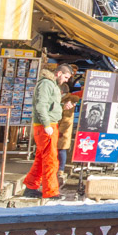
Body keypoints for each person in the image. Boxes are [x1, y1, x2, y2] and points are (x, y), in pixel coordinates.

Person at [23, 64, 73, 200]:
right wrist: (46, 124)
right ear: (59, 73)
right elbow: (41, 105)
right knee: (50, 160)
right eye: (66, 77)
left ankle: (31, 186)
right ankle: (50, 191)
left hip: (48, 124)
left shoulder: (51, 84)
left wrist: (62, 106)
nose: (66, 81)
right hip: (46, 125)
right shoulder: (46, 84)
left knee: (41, 159)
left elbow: (49, 105)